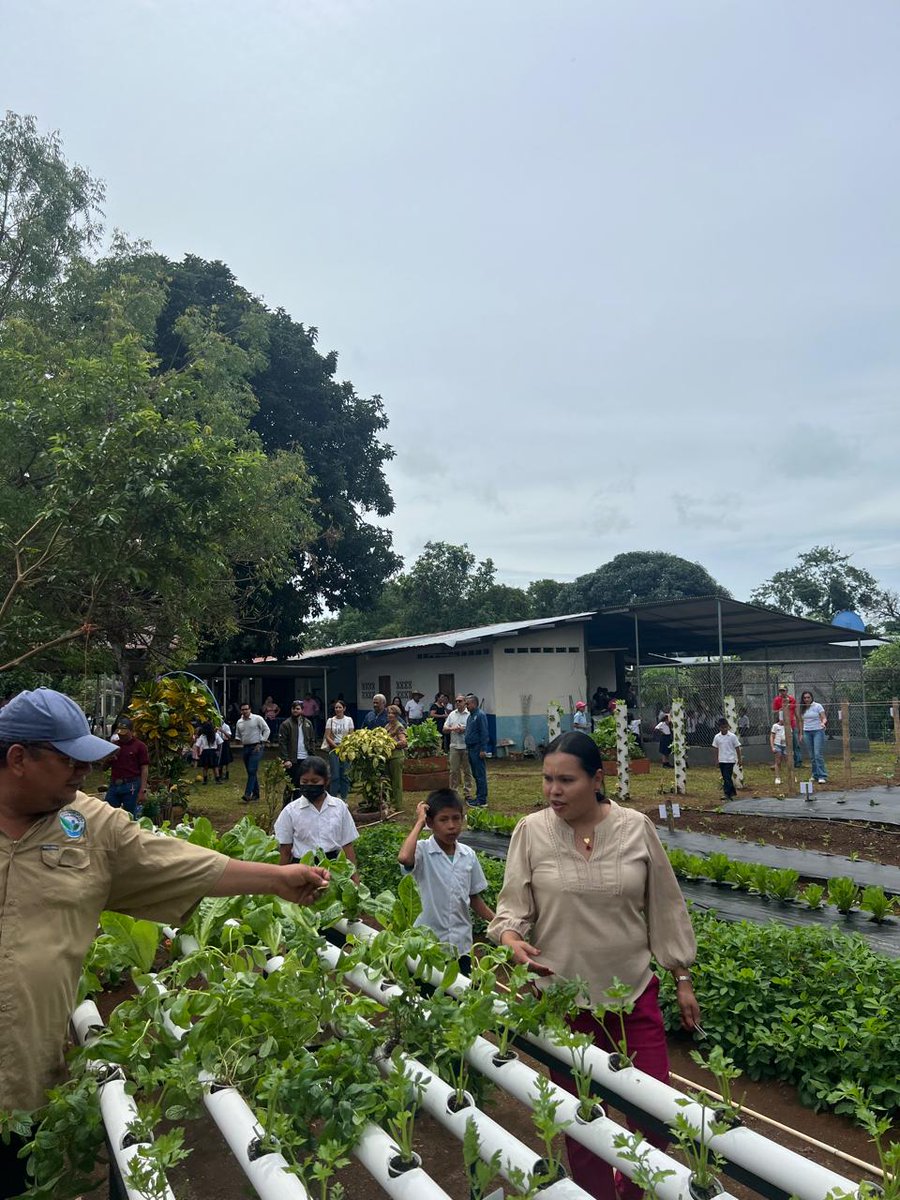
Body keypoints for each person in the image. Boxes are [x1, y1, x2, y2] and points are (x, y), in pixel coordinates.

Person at [0, 688, 330, 1198]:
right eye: (69, 761)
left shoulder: (91, 826)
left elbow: (177, 860)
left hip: (23, 1080)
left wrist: (276, 877)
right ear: (18, 758)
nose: (83, 773)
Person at [487, 732, 698, 1200]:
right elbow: (512, 908)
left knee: (656, 1114)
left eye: (566, 780)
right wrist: (511, 938)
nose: (553, 791)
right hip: (564, 1001)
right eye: (547, 780)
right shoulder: (531, 831)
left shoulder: (636, 827)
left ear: (597, 779)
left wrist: (682, 976)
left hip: (633, 993)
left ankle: (631, 1189)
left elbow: (665, 905)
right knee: (583, 1120)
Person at [397, 790, 494, 976]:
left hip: (461, 946)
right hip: (428, 946)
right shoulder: (423, 851)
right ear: (431, 823)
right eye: (443, 820)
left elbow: (473, 897)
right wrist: (419, 822)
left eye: (456, 818)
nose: (452, 826)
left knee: (460, 997)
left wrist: (497, 921)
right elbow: (403, 857)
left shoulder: (468, 855)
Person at [275, 756, 358, 882]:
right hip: (302, 870)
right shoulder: (290, 811)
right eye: (304, 782)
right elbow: (285, 850)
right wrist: (280, 882)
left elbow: (347, 845)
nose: (309, 786)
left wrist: (355, 878)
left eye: (314, 782)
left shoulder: (339, 807)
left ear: (326, 781)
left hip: (335, 870)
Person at [104, 717, 148, 816]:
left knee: (130, 815)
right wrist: (109, 759)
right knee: (108, 813)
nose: (121, 735)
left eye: (124, 732)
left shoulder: (140, 746)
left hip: (131, 785)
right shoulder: (114, 746)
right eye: (119, 732)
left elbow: (144, 768)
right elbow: (104, 767)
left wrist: (143, 789)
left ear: (131, 731)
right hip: (115, 784)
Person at [277, 700, 317, 789]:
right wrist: (286, 759)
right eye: (293, 708)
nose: (295, 710)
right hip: (292, 759)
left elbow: (312, 739)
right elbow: (282, 743)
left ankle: (300, 802)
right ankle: (287, 803)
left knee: (303, 783)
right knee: (291, 784)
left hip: (305, 757)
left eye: (298, 709)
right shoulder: (286, 724)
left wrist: (312, 753)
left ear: (302, 710)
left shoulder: (308, 723)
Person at [236, 702, 270, 803]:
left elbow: (267, 730)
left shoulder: (257, 718)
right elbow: (238, 735)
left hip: (257, 746)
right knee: (251, 771)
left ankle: (247, 794)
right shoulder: (239, 722)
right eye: (243, 710)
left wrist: (262, 742)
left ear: (250, 709)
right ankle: (256, 793)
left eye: (246, 709)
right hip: (246, 747)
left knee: (252, 769)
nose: (245, 711)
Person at [444, 693, 474, 802]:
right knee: (453, 771)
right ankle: (453, 793)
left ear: (465, 703)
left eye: (460, 701)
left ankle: (468, 793)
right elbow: (444, 728)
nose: (457, 703)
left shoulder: (470, 715)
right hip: (454, 746)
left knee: (467, 771)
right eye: (456, 701)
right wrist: (452, 729)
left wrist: (463, 729)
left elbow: (473, 729)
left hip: (466, 746)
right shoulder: (452, 714)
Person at [323, 699, 354, 800]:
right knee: (335, 775)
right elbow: (327, 736)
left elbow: (351, 735)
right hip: (333, 748)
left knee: (345, 775)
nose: (338, 709)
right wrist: (336, 747)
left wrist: (344, 747)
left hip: (345, 748)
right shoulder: (330, 720)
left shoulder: (349, 720)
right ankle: (333, 798)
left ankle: (344, 798)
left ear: (344, 708)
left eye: (340, 707)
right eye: (336, 707)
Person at [464, 693, 490, 807]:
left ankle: (482, 800)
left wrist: (483, 749)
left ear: (474, 703)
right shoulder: (470, 716)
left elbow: (484, 732)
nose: (466, 706)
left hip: (477, 748)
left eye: (467, 704)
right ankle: (478, 796)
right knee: (475, 774)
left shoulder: (480, 715)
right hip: (470, 748)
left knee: (480, 774)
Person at [799, 690, 828, 784]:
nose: (806, 699)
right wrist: (801, 733)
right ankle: (814, 774)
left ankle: (822, 775)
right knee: (812, 756)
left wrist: (823, 723)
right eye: (805, 698)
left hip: (818, 731)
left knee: (817, 754)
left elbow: (824, 717)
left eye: (808, 697)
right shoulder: (802, 708)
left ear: (811, 698)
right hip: (807, 732)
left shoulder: (817, 706)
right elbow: (801, 722)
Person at [773, 684, 802, 768]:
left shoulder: (792, 699)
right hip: (781, 725)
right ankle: (781, 762)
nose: (782, 692)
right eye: (780, 691)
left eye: (783, 690)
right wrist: (779, 710)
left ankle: (798, 762)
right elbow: (774, 711)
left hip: (792, 724)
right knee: (781, 743)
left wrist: (798, 723)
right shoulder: (777, 700)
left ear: (787, 691)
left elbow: (796, 712)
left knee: (795, 743)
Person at [385, 703, 407, 810]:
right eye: (388, 713)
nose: (390, 715)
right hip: (388, 757)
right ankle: (391, 802)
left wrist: (392, 744)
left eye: (392, 713)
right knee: (388, 781)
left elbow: (404, 742)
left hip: (397, 757)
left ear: (396, 715)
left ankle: (398, 805)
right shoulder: (387, 726)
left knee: (396, 782)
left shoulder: (399, 726)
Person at [713, 717, 742, 798]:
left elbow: (737, 747)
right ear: (719, 728)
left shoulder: (732, 736)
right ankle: (732, 792)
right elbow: (715, 748)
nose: (724, 729)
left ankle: (727, 793)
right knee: (726, 777)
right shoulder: (717, 737)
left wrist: (739, 759)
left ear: (728, 726)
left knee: (726, 777)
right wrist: (716, 760)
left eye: (726, 727)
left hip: (730, 760)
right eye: (722, 727)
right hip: (722, 760)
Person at [193, 719, 223, 785]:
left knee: (205, 767)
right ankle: (217, 779)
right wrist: (218, 750)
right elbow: (220, 743)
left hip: (205, 752)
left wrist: (198, 753)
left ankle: (205, 780)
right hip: (213, 751)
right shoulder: (215, 735)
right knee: (215, 766)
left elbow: (197, 745)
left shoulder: (202, 736)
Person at [769, 711, 787, 786]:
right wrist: (773, 746)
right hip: (778, 745)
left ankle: (791, 776)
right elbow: (772, 736)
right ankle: (777, 777)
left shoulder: (787, 726)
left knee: (788, 761)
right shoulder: (775, 726)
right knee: (778, 761)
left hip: (786, 745)